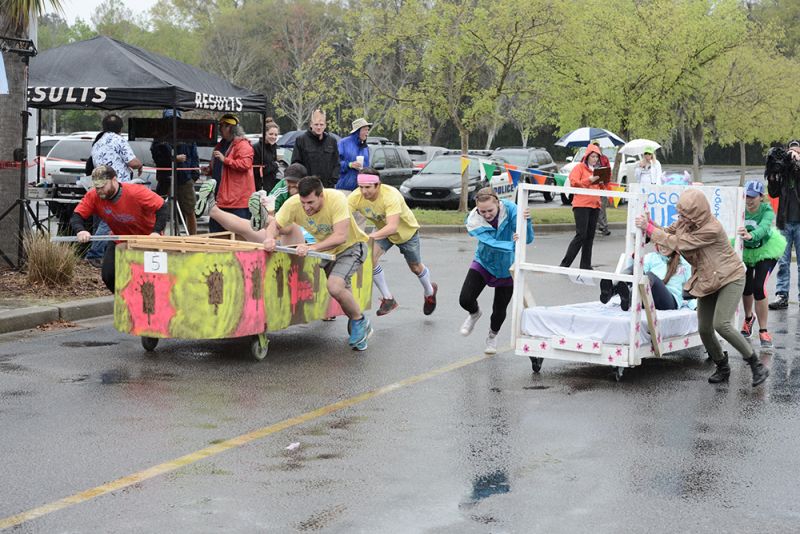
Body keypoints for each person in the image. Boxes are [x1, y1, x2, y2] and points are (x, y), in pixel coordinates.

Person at [635, 189, 769, 387]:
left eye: (685, 215)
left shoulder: (711, 228)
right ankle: (722, 367)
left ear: (697, 213)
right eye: (680, 214)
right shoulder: (684, 221)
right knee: (704, 329)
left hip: (730, 277)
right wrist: (651, 224)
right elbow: (669, 232)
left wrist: (649, 229)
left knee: (721, 324)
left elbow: (678, 243)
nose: (680, 218)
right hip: (707, 279)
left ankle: (756, 365)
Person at [263, 176, 372, 350]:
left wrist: (312, 248)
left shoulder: (336, 199)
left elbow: (340, 237)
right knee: (342, 292)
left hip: (350, 247)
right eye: (303, 202)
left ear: (321, 196)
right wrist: (269, 238)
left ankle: (360, 321)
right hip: (327, 251)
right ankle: (358, 322)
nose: (306, 207)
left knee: (335, 286)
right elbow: (275, 224)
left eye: (311, 203)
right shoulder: (293, 204)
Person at [347, 168, 437, 316]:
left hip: (405, 233)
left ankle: (429, 292)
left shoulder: (390, 196)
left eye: (368, 187)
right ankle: (388, 299)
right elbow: (342, 215)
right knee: (369, 259)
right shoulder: (355, 197)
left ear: (378, 185)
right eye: (361, 187)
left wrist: (369, 237)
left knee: (415, 268)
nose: (364, 191)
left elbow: (392, 227)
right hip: (383, 231)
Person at [71, 165, 167, 293]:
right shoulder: (93, 196)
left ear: (114, 180)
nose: (99, 191)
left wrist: (156, 232)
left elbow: (162, 207)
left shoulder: (136, 192)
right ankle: (125, 302)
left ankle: (148, 304)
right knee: (109, 275)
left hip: (147, 240)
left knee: (151, 280)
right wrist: (80, 230)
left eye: (103, 186)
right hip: (119, 239)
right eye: (97, 187)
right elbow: (77, 215)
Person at [459, 188, 533, 354]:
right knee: (465, 299)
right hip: (484, 261)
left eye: (490, 210)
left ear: (498, 204)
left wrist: (526, 222)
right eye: (482, 211)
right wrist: (513, 245)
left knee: (499, 310)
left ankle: (492, 336)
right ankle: (474, 313)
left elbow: (527, 239)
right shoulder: (473, 219)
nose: (486, 214)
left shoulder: (512, 209)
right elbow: (490, 242)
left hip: (508, 266)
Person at [85, 114, 144, 266]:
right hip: (116, 185)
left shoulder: (97, 142)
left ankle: (103, 253)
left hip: (100, 183)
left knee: (102, 219)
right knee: (110, 220)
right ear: (120, 128)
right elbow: (132, 161)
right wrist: (140, 164)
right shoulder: (118, 140)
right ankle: (94, 254)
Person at [738, 180, 786, 348]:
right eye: (746, 196)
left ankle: (763, 330)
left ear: (761, 197)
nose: (749, 200)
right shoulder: (740, 207)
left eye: (752, 197)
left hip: (765, 250)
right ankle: (749, 318)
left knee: (759, 287)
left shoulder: (766, 210)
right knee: (746, 287)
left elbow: (765, 228)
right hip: (746, 250)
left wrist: (752, 236)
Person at [197, 114, 255, 233]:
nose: (220, 129)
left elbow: (245, 164)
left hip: (237, 201)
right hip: (221, 197)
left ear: (231, 128)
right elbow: (220, 167)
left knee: (239, 234)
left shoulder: (243, 145)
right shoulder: (221, 144)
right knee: (216, 233)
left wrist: (225, 160)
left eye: (222, 126)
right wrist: (209, 170)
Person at [600, 242, 695, 312]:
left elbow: (691, 287)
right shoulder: (652, 257)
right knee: (636, 267)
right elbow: (636, 271)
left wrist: (695, 305)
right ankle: (611, 291)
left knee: (649, 276)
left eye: (667, 244)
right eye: (660, 244)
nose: (663, 247)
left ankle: (630, 296)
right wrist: (634, 257)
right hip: (648, 299)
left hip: (669, 302)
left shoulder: (683, 263)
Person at [150, 109, 200, 235]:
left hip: (184, 178)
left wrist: (194, 175)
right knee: (160, 210)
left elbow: (194, 157)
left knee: (189, 210)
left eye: (175, 119)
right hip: (165, 178)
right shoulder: (159, 137)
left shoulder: (188, 136)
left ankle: (192, 240)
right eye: (168, 120)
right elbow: (157, 157)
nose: (172, 123)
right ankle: (160, 238)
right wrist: (172, 159)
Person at [560, 143, 608, 270]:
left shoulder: (597, 170)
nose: (595, 159)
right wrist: (590, 180)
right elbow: (574, 183)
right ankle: (565, 264)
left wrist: (603, 181)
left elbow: (602, 188)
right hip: (581, 204)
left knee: (590, 236)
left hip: (595, 205)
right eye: (593, 156)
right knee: (581, 235)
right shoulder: (579, 168)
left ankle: (585, 265)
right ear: (587, 156)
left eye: (597, 157)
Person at [767, 139, 800, 310]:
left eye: (797, 151)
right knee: (784, 261)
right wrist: (773, 174)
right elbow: (773, 193)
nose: (793, 154)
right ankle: (782, 295)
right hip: (785, 222)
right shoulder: (784, 173)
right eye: (791, 151)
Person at [291, 109, 340, 188]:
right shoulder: (301, 140)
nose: (319, 127)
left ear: (325, 125)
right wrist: (303, 182)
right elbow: (296, 163)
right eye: (316, 124)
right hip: (308, 186)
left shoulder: (332, 141)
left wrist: (333, 180)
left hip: (327, 186)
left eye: (321, 124)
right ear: (311, 124)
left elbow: (336, 163)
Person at [336, 118, 371, 191]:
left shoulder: (365, 147)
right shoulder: (343, 143)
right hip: (344, 188)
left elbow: (367, 167)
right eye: (365, 130)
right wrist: (350, 164)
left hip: (361, 190)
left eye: (368, 130)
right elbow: (335, 164)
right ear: (358, 131)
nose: (367, 132)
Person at [252, 118, 281, 192]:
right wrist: (274, 165)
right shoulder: (256, 148)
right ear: (264, 133)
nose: (274, 137)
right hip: (259, 188)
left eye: (276, 135)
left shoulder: (274, 147)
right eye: (271, 134)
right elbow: (255, 170)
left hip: (272, 186)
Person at [592, 140, 612, 237]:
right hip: (591, 187)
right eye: (594, 146)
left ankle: (604, 227)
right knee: (592, 207)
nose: (596, 148)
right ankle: (594, 227)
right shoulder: (586, 158)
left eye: (597, 146)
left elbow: (608, 172)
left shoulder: (604, 159)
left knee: (602, 207)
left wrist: (605, 182)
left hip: (602, 186)